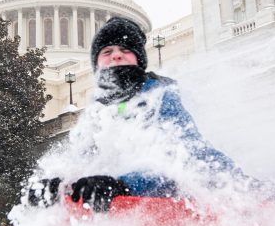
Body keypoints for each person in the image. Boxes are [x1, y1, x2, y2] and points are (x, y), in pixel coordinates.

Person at [27, 17, 250, 211]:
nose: (115, 56)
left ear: (139, 60)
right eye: (107, 52)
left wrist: (123, 184)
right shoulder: (98, 112)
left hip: (206, 190)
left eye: (125, 50)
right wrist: (60, 185)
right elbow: (82, 159)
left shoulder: (160, 96)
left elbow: (181, 162)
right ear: (96, 64)